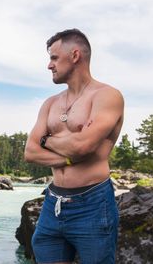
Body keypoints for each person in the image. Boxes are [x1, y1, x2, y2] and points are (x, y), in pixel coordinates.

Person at [24, 29, 124, 264]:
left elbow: (83, 146)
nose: (49, 65)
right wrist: (66, 157)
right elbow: (30, 151)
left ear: (75, 55)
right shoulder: (51, 103)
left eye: (54, 58)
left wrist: (46, 140)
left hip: (93, 203)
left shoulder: (107, 96)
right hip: (53, 203)